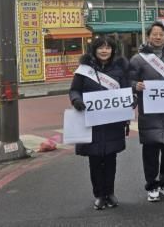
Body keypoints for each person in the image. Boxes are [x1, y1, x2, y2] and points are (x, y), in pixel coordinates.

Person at [69, 36, 130, 210]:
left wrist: (131, 101)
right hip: (91, 122)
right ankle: (99, 195)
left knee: (111, 159)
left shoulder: (119, 69)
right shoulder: (84, 70)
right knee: (94, 160)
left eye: (108, 48)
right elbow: (74, 90)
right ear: (94, 50)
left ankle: (110, 193)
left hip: (112, 123)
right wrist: (76, 100)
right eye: (101, 48)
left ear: (113, 50)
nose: (104, 51)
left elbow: (126, 90)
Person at [129, 22, 164, 202]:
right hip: (149, 113)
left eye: (161, 34)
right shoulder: (138, 59)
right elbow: (128, 80)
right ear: (148, 36)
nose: (158, 37)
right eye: (155, 34)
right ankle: (152, 185)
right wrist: (135, 85)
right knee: (150, 151)